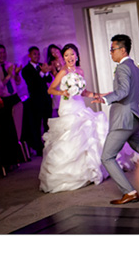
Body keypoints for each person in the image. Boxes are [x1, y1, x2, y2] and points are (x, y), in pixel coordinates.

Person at [92, 34, 139, 205]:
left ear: (122, 50)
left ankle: (130, 192)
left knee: (107, 157)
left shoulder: (122, 68)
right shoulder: (134, 67)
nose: (110, 53)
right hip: (133, 118)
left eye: (112, 49)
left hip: (123, 120)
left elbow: (124, 91)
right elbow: (136, 95)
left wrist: (105, 99)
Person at [38, 43, 108, 193]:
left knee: (87, 134)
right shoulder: (62, 72)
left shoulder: (80, 71)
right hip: (68, 107)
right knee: (72, 137)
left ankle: (89, 172)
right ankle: (71, 175)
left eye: (72, 54)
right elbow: (50, 89)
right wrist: (62, 92)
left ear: (77, 55)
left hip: (80, 105)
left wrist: (98, 95)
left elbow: (83, 92)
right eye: (66, 55)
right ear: (63, 58)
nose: (70, 57)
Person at [0, 44, 24, 165]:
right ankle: (13, 157)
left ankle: (20, 154)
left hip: (14, 97)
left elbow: (18, 83)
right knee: (9, 130)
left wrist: (17, 74)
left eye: (4, 52)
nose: (2, 55)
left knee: (18, 127)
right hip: (4, 100)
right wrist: (9, 75)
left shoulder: (10, 65)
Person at [21, 46, 53, 156]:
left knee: (48, 124)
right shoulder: (26, 70)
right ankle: (39, 149)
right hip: (35, 102)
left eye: (38, 54)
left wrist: (46, 72)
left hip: (46, 100)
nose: (37, 56)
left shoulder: (42, 66)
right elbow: (32, 82)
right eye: (34, 54)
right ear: (29, 55)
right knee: (37, 126)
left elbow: (48, 80)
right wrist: (42, 73)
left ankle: (49, 146)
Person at [47, 44, 64, 117]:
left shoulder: (66, 58)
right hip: (60, 85)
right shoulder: (52, 63)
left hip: (70, 83)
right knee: (60, 106)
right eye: (52, 53)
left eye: (55, 50)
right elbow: (56, 76)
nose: (54, 53)